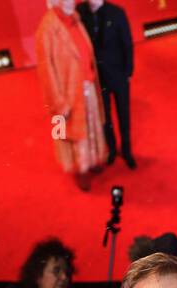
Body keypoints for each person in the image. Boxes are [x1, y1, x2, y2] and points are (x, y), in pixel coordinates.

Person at [35, 0, 108, 192]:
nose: (69, 1)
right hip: (67, 94)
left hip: (87, 83)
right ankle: (80, 169)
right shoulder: (47, 28)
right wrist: (58, 104)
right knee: (72, 133)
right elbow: (46, 72)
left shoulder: (75, 19)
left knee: (91, 126)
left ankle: (92, 160)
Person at [76, 0, 136, 169]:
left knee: (123, 114)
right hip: (97, 78)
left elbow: (127, 44)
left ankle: (126, 150)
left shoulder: (117, 12)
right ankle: (111, 149)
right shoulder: (79, 12)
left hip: (118, 75)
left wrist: (129, 72)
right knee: (105, 117)